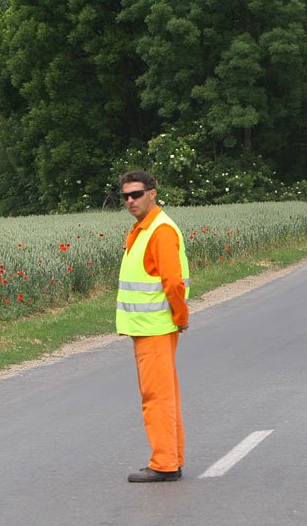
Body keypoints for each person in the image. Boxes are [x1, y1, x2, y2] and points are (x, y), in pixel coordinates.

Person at [116, 170, 190, 483]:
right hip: (150, 328)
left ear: (152, 193)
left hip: (155, 329)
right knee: (165, 395)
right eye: (125, 196)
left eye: (136, 194)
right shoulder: (143, 229)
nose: (130, 201)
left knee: (156, 397)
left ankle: (164, 464)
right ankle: (171, 458)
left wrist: (180, 316)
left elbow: (172, 281)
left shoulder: (159, 230)